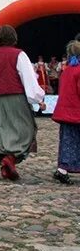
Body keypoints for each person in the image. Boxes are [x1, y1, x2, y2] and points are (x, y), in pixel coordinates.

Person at [0, 25, 45, 181]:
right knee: (26, 129)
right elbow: (28, 78)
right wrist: (38, 98)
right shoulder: (19, 55)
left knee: (2, 131)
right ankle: (11, 159)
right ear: (13, 37)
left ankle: (5, 165)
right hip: (17, 98)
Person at [51, 40, 80, 185]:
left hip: (64, 112)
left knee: (66, 142)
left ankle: (62, 169)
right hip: (77, 113)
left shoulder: (66, 70)